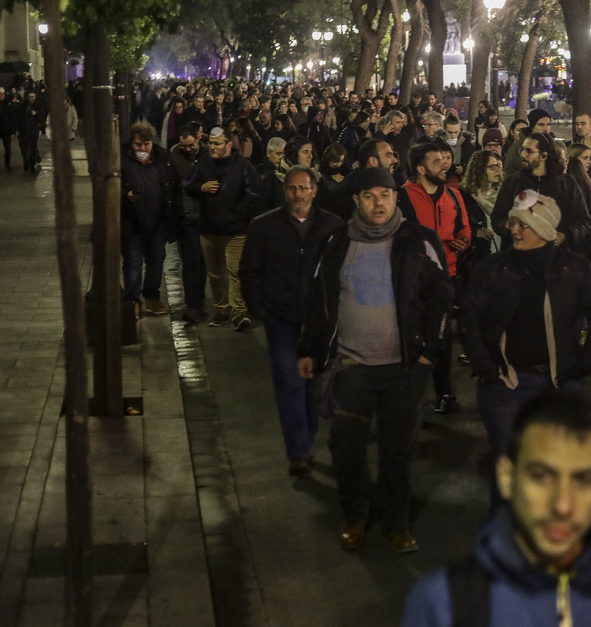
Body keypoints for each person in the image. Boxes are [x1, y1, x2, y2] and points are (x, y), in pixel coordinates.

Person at [402, 391, 591, 627]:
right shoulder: (444, 604)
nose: (562, 506)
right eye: (541, 477)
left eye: (583, 479)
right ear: (506, 477)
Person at [296, 166, 452, 553]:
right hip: (352, 366)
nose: (378, 203)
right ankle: (355, 515)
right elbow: (318, 300)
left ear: (396, 199)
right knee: (345, 445)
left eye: (385, 194)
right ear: (356, 201)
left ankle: (397, 523)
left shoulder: (419, 240)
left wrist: (430, 352)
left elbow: (442, 299)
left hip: (404, 367)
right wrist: (310, 349)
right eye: (369, 196)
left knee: (397, 451)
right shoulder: (336, 242)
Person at [463, 191, 591, 460]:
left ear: (544, 228)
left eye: (523, 224)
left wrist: (584, 364)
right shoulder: (493, 268)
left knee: (552, 466)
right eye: (513, 223)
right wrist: (484, 365)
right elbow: (471, 318)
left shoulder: (574, 268)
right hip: (503, 384)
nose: (514, 231)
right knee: (508, 465)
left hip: (558, 386)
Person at [239, 167, 343, 477]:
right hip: (281, 318)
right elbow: (250, 270)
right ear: (286, 191)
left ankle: (306, 442)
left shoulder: (333, 227)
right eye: (292, 188)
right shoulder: (264, 226)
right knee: (289, 382)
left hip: (319, 321)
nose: (298, 194)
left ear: (314, 190)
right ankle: (298, 452)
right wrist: (260, 308)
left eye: (303, 188)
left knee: (313, 384)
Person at [397, 142, 471, 415]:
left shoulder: (453, 195)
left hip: (447, 276)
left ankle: (444, 392)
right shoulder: (402, 196)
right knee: (411, 337)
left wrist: (463, 239)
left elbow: (464, 226)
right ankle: (408, 396)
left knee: (441, 338)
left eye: (444, 158)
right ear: (420, 168)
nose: (444, 164)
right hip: (413, 281)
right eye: (436, 160)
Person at [186, 126, 260, 330]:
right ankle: (221, 309)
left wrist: (233, 217)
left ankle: (239, 312)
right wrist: (201, 188)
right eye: (210, 143)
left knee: (236, 272)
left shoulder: (243, 166)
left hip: (236, 231)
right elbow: (188, 185)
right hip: (209, 229)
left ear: (228, 144)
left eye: (216, 143)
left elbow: (253, 196)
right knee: (215, 273)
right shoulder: (203, 164)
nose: (212, 147)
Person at [491, 132, 591, 254]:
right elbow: (497, 218)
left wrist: (565, 235)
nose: (523, 154)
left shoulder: (567, 184)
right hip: (518, 260)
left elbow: (583, 221)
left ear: (544, 156)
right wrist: (515, 230)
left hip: (555, 259)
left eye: (529, 151)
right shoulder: (512, 183)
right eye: (522, 150)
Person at [120, 122, 172, 315]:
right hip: (132, 222)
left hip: (157, 222)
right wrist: (126, 195)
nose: (142, 148)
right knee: (133, 262)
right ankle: (133, 299)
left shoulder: (161, 157)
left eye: (146, 144)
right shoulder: (123, 158)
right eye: (138, 144)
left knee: (156, 261)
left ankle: (152, 297)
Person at [169, 123, 208, 322]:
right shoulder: (174, 156)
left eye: (191, 145)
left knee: (203, 262)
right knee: (191, 262)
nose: (188, 149)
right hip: (184, 216)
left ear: (198, 139)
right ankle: (193, 304)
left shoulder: (207, 155)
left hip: (204, 216)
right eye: (184, 145)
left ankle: (199, 301)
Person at [503, 108, 552, 176]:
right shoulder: (516, 148)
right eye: (541, 125)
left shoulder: (555, 146)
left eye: (548, 124)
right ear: (532, 127)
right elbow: (508, 173)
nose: (546, 129)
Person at [17, 91, 43, 172]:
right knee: (24, 148)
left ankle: (32, 164)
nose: (31, 98)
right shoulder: (22, 106)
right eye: (29, 96)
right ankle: (26, 162)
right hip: (24, 130)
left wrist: (36, 114)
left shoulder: (38, 106)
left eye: (33, 96)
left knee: (33, 148)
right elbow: (18, 118)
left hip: (33, 131)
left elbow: (42, 117)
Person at [0, 87, 15, 172]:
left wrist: (13, 131)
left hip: (6, 130)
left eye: (3, 94)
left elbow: (12, 118)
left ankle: (7, 164)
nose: (2, 95)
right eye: (0, 94)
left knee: (8, 148)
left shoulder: (7, 103)